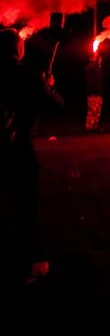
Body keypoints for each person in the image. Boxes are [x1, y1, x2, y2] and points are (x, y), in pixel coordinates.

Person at [1, 28, 63, 284]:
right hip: (17, 150)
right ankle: (30, 264)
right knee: (26, 208)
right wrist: (48, 87)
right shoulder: (27, 75)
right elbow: (57, 107)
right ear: (18, 49)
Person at [85, 52, 104, 131]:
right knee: (92, 111)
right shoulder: (90, 67)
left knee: (97, 112)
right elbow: (94, 74)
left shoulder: (96, 67)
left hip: (98, 92)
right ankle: (89, 127)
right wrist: (96, 61)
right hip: (92, 92)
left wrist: (98, 63)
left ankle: (94, 127)